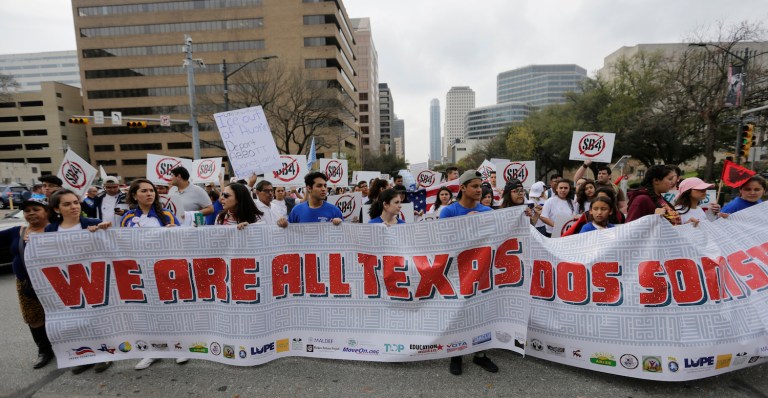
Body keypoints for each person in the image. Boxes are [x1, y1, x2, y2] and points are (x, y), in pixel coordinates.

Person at [44, 190, 112, 374]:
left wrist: (104, 229)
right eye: (67, 204)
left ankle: (104, 356)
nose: (74, 206)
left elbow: (111, 247)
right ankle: (85, 356)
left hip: (93, 278)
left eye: (75, 202)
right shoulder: (51, 230)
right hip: (67, 281)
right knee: (76, 320)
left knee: (96, 318)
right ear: (57, 209)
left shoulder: (92, 224)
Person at [439, 169, 497, 375]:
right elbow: (442, 240)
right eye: (474, 186)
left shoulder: (488, 212)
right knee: (459, 313)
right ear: (462, 188)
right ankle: (457, 354)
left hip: (482, 271)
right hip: (457, 271)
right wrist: (465, 224)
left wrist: (522, 217)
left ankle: (481, 354)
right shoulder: (449, 211)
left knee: (482, 311)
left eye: (480, 186)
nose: (479, 189)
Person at [0, 197, 53, 369]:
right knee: (34, 318)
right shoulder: (17, 231)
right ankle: (44, 351)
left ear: (47, 211)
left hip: (55, 283)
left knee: (60, 316)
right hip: (26, 284)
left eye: (35, 209)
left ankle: (67, 348)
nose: (31, 213)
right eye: (27, 210)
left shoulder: (57, 229)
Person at [278, 172, 343, 226]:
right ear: (309, 188)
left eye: (325, 186)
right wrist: (283, 224)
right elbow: (289, 233)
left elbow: (344, 235)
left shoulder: (335, 211)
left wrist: (340, 224)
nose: (323, 189)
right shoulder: (296, 210)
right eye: (319, 186)